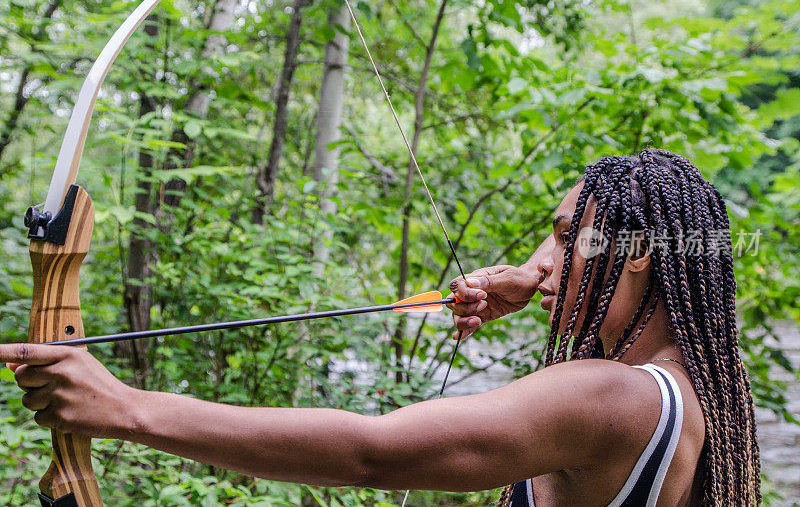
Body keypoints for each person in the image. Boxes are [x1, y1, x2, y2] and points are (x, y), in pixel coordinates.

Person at [1, 149, 760, 506]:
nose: (540, 257)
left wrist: (121, 409)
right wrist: (545, 283)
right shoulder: (701, 393)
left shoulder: (610, 398)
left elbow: (370, 453)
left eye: (565, 236)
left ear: (636, 255)